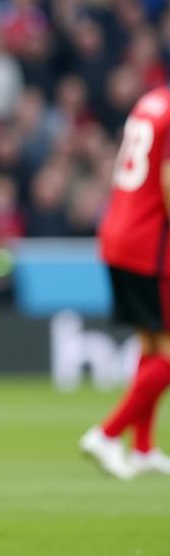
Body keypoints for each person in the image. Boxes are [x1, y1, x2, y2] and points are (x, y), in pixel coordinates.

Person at [81, 86, 170, 479]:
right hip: (150, 244)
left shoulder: (152, 100)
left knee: (151, 343)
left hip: (120, 230)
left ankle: (144, 447)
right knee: (166, 354)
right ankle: (107, 434)